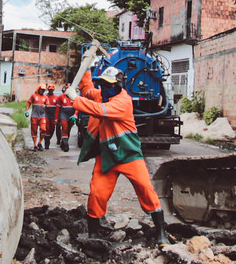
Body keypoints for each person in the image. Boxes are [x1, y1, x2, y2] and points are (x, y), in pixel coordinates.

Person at [66, 49, 169, 245]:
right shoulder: (101, 95)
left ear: (118, 86)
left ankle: (161, 232)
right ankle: (94, 234)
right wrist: (86, 67)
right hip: (108, 157)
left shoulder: (123, 102)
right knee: (97, 193)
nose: (105, 89)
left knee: (146, 189)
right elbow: (88, 90)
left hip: (129, 155)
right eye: (103, 85)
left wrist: (75, 99)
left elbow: (100, 110)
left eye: (110, 86)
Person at [53, 86, 76, 153]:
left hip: (71, 114)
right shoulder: (61, 97)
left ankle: (64, 142)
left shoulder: (74, 96)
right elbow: (57, 108)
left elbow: (78, 107)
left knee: (68, 129)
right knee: (64, 128)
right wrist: (56, 118)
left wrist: (75, 115)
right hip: (63, 114)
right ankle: (66, 145)